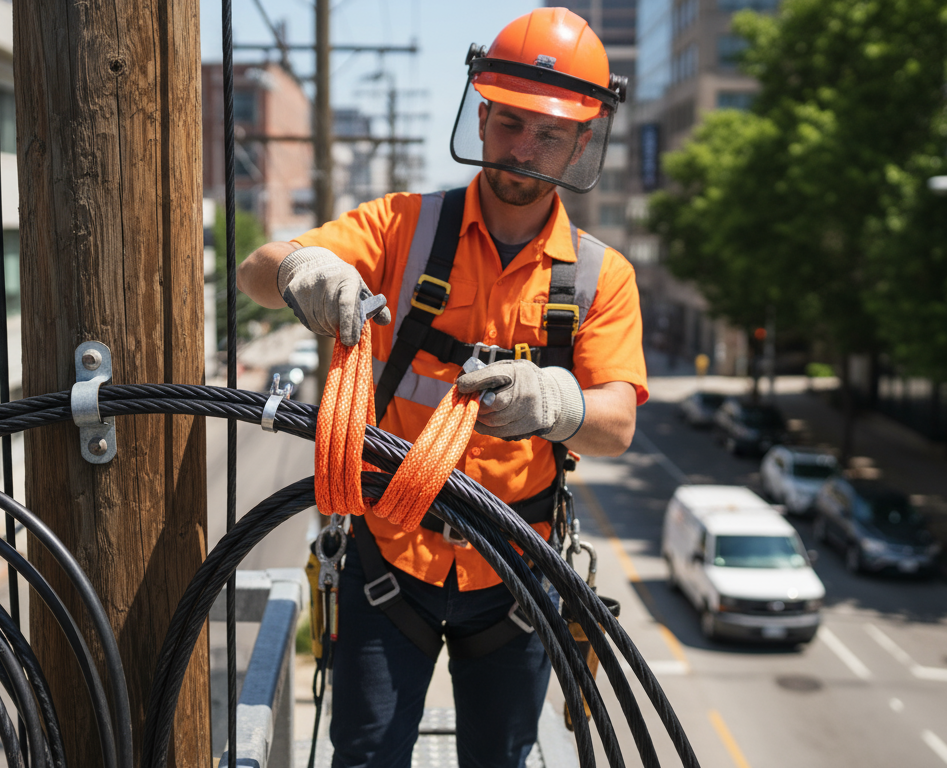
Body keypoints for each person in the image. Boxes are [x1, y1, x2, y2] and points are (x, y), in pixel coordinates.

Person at [236, 8, 647, 767]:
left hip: (516, 572)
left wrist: (556, 404)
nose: (523, 149)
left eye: (549, 133)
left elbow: (616, 424)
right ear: (482, 118)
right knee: (366, 757)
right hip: (389, 561)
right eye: (510, 122)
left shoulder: (599, 277)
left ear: (582, 140)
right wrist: (300, 270)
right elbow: (256, 268)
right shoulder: (403, 230)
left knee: (502, 758)